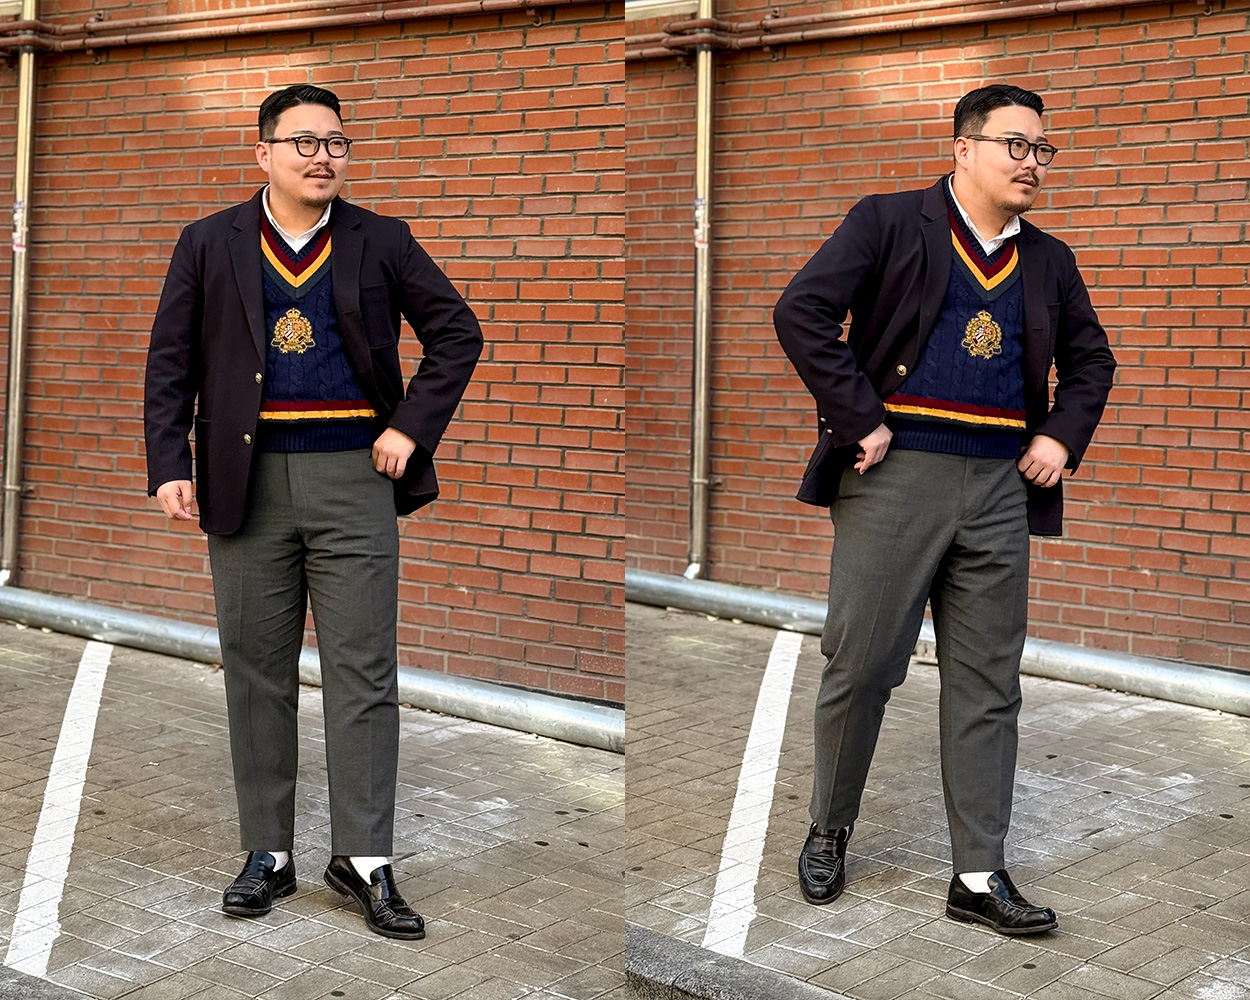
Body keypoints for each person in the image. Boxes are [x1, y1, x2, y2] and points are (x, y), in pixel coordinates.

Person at [773, 84, 1115, 935]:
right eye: (1015, 145)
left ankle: (977, 875)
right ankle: (829, 828)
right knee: (862, 667)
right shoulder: (890, 221)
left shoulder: (1050, 260)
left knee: (990, 683)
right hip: (897, 477)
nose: (1032, 163)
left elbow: (1092, 362)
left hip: (1001, 486)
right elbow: (801, 312)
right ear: (963, 148)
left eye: (1042, 149)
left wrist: (1060, 438)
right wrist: (859, 417)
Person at [144, 84, 483, 939]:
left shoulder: (382, 239)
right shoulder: (208, 242)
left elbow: (458, 333)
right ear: (262, 153)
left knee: (364, 670)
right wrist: (169, 465)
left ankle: (363, 860)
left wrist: (411, 426)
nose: (322, 156)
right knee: (255, 669)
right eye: (302, 141)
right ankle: (269, 853)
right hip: (245, 482)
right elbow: (170, 361)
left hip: (352, 481)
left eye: (335, 141)